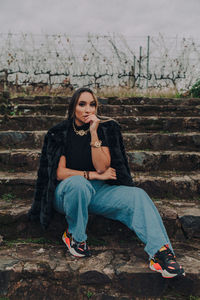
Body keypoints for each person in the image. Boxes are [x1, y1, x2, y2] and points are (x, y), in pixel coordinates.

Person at [28, 87, 185, 279]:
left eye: (92, 104)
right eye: (82, 104)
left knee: (137, 195)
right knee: (79, 184)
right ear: (73, 108)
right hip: (67, 193)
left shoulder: (105, 130)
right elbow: (60, 173)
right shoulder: (60, 132)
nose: (88, 109)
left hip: (98, 193)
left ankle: (161, 254)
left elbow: (103, 167)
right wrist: (94, 176)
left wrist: (94, 133)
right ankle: (76, 237)